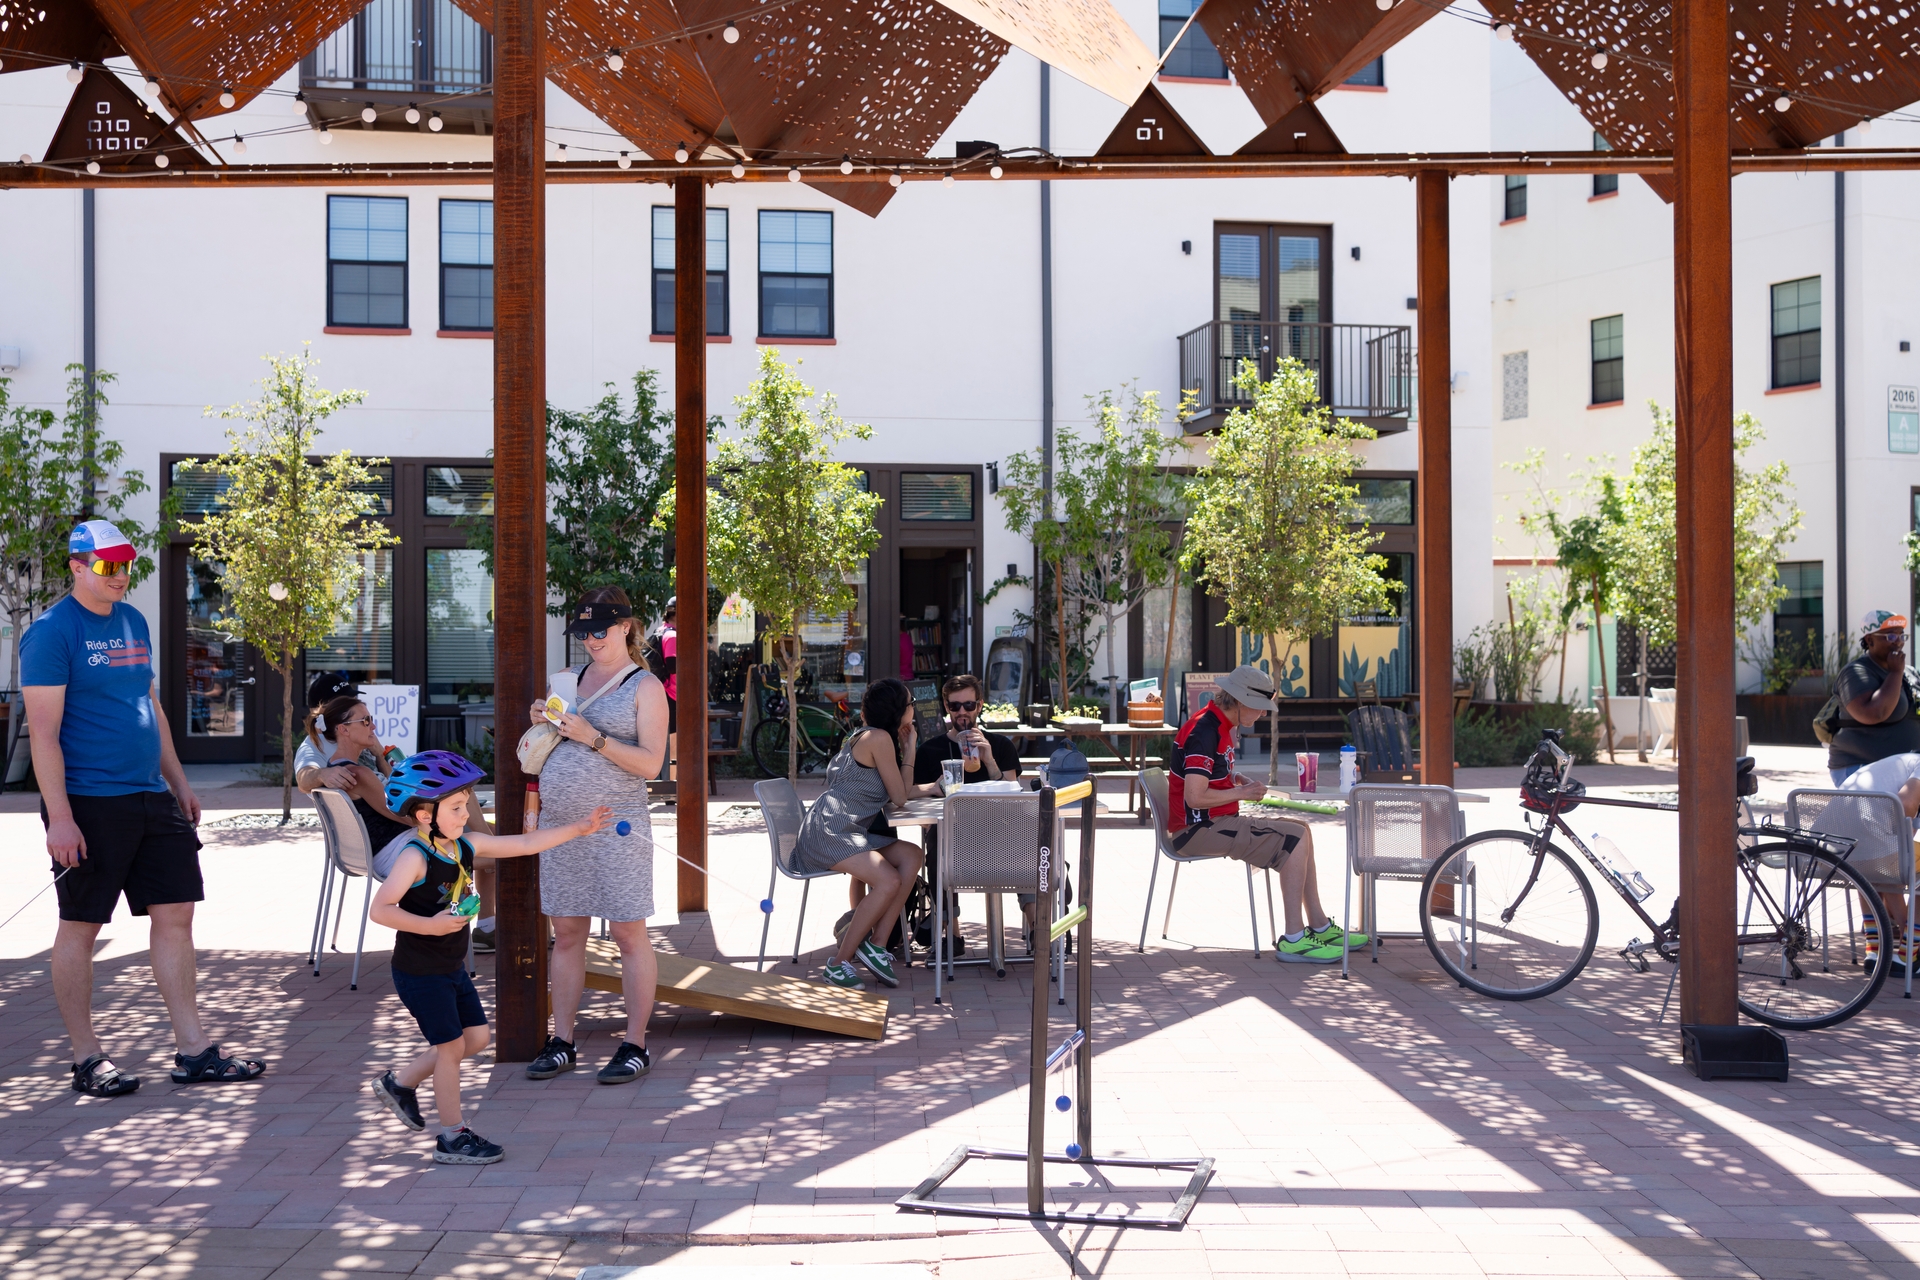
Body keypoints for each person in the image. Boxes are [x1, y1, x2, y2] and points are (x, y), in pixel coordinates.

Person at [22, 520, 264, 1097]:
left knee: (177, 912)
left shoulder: (133, 620)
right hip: (89, 802)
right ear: (77, 566)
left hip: (151, 795)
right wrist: (61, 817)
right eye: (108, 566)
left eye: (126, 564)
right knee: (82, 926)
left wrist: (178, 782)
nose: (121, 575)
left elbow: (149, 705)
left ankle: (194, 1051)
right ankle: (86, 1057)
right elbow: (43, 734)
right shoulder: (51, 633)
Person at [367, 751, 610, 1164]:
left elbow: (525, 843)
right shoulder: (414, 857)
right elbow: (380, 909)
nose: (466, 814)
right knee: (450, 1049)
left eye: (466, 805)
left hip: (450, 968)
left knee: (476, 1039)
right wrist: (430, 926)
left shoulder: (465, 846)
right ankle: (452, 1136)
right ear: (425, 815)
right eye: (456, 808)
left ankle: (400, 1083)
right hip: (420, 972)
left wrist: (579, 828)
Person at [521, 588, 670, 1085]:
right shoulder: (569, 679)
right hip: (562, 829)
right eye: (582, 633)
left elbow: (651, 764)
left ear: (626, 626)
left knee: (628, 933)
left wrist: (594, 737)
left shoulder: (645, 687)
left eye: (599, 631)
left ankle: (635, 1043)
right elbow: (550, 746)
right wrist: (543, 722)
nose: (590, 640)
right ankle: (562, 1040)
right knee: (566, 934)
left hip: (618, 828)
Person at [1166, 665, 1366, 964]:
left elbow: (1203, 778)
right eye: (1259, 707)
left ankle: (1319, 926)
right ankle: (1294, 939)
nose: (1262, 714)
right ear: (1240, 700)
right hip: (1196, 830)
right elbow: (1194, 797)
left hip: (1208, 823)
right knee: (1294, 837)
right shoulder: (1205, 731)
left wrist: (1233, 780)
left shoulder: (1216, 723)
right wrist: (1242, 793)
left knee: (1302, 829)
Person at [793, 677, 937, 989]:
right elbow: (899, 797)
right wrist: (910, 750)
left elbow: (898, 791)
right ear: (898, 711)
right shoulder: (878, 738)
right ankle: (838, 964)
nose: (913, 708)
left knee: (912, 855)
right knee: (889, 880)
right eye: (911, 703)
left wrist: (930, 786)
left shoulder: (870, 735)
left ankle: (878, 945)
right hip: (830, 831)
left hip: (843, 827)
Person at [910, 673, 1022, 953]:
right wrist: (934, 787)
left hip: (1001, 841)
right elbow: (908, 793)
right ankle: (952, 934)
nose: (962, 712)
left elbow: (1015, 794)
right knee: (937, 840)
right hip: (953, 843)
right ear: (946, 707)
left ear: (979, 705)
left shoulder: (1001, 746)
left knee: (1029, 842)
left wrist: (990, 761)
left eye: (969, 705)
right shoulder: (930, 750)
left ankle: (1038, 930)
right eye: (955, 706)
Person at [303, 693, 411, 853]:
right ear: (344, 729)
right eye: (366, 721)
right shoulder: (358, 774)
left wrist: (379, 754)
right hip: (394, 849)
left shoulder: (335, 766)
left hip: (378, 849)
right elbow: (405, 817)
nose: (373, 727)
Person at [1828, 610, 1920, 787]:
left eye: (1902, 636)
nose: (1898, 642)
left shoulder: (1909, 672)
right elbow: (1874, 714)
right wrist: (1895, 673)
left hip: (1906, 768)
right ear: (1870, 640)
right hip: (1862, 767)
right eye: (1891, 636)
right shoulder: (1855, 672)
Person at [295, 670, 371, 794]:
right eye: (345, 703)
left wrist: (380, 755)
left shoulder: (355, 733)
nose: (354, 706)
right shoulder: (314, 746)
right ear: (322, 710)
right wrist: (322, 774)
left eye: (353, 700)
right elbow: (303, 779)